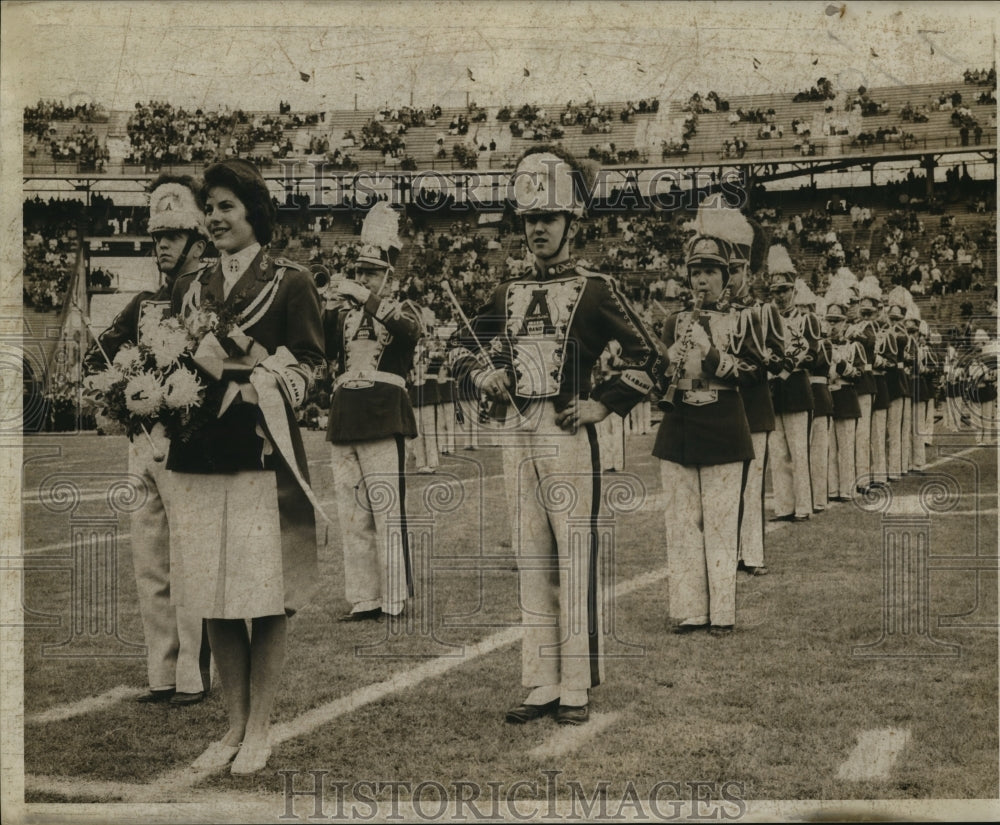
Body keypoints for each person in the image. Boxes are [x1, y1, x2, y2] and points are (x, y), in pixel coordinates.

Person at [450, 146, 660, 725]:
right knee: (530, 556)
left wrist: (601, 404)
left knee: (573, 555)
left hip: (567, 432)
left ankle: (574, 684)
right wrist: (486, 373)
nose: (537, 229)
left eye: (548, 218)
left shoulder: (596, 289)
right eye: (530, 220)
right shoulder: (505, 291)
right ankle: (538, 679)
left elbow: (650, 357)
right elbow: (460, 343)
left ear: (571, 222)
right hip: (518, 432)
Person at [169, 159, 324, 775]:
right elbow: (177, 364)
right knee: (213, 597)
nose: (215, 218)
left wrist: (263, 381)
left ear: (253, 213)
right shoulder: (193, 282)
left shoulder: (290, 281)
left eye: (227, 206)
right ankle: (233, 727)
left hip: (259, 458)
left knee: (263, 598)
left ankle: (261, 728)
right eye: (209, 208)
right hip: (197, 456)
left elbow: (312, 364)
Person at [83, 175, 212, 706]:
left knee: (188, 560)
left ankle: (193, 675)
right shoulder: (140, 304)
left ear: (196, 240)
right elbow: (98, 356)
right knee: (149, 560)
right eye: (158, 235)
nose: (162, 244)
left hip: (186, 441)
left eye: (174, 235)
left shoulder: (205, 300)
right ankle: (161, 673)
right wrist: (112, 390)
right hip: (140, 442)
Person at [653, 234, 763, 635]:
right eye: (696, 273)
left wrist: (712, 353)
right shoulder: (673, 321)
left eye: (710, 273)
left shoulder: (741, 319)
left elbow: (755, 374)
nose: (702, 281)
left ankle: (722, 612)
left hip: (723, 421)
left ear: (726, 277)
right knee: (682, 522)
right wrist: (664, 365)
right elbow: (656, 375)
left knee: (719, 521)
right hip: (679, 420)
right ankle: (689, 609)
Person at [324, 202, 423, 621]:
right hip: (346, 415)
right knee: (352, 513)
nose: (362, 278)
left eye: (371, 272)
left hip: (384, 414)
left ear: (388, 276)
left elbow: (408, 333)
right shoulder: (343, 314)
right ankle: (364, 596)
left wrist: (365, 297)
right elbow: (326, 351)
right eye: (359, 271)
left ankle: (394, 596)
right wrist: (327, 306)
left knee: (386, 510)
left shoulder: (403, 308)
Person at [766, 245, 819, 522]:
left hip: (797, 388)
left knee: (799, 452)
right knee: (778, 453)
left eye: (784, 290)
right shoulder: (767, 320)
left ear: (793, 291)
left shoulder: (807, 319)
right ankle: (784, 505)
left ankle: (803, 507)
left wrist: (790, 363)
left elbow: (813, 352)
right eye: (775, 291)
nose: (780, 296)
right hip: (775, 391)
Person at [824, 288, 864, 502]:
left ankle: (846, 488)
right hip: (829, 398)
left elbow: (859, 375)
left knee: (846, 447)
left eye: (837, 321)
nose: (833, 325)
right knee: (830, 449)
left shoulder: (853, 346)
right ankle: (831, 489)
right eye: (830, 321)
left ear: (844, 323)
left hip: (846, 397)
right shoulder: (822, 346)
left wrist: (841, 365)